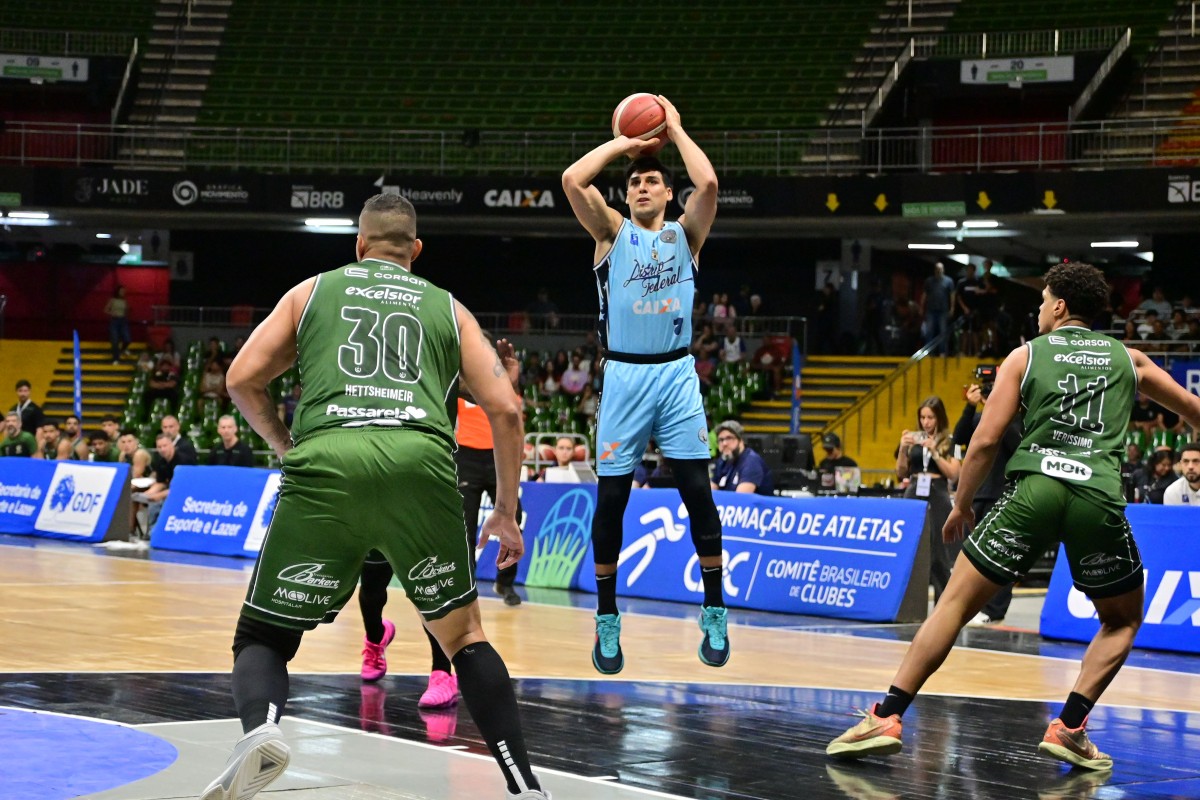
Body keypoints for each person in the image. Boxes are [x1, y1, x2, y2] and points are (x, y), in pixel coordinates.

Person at [200, 193, 547, 800]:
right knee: (464, 638)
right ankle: (525, 786)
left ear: (359, 245)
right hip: (420, 465)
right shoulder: (448, 307)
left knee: (264, 637)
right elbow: (507, 410)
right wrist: (505, 511)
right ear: (416, 250)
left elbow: (241, 379)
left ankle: (262, 731)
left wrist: (286, 446)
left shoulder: (311, 292)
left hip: (328, 460)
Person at [827, 261, 1200, 772]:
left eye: (1043, 301)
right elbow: (1193, 411)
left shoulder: (1025, 355)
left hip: (1034, 492)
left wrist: (962, 505)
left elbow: (984, 441)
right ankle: (1069, 727)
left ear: (1060, 307)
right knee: (1122, 620)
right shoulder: (1129, 359)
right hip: (1097, 497)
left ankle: (886, 716)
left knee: (953, 604)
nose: (1039, 310)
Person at [562, 95, 729, 674]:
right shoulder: (611, 232)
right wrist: (624, 144)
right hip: (624, 377)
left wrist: (674, 128)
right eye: (634, 182)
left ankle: (714, 608)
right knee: (612, 500)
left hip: (676, 374)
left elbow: (709, 184)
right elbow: (572, 179)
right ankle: (607, 617)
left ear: (667, 193)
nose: (640, 187)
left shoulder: (687, 235)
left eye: (651, 181)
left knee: (698, 494)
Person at [357, 337, 525, 717]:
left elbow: (483, 394)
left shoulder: (441, 373)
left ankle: (441, 674)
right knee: (372, 587)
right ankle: (375, 637)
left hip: (427, 483)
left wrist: (505, 382)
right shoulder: (369, 376)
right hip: (376, 481)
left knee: (431, 585)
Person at [952, 382, 1023, 625]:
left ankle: (994, 610)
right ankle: (972, 605)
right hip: (978, 494)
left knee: (999, 553)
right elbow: (959, 437)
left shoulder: (1015, 420)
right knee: (971, 555)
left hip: (1001, 494)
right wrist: (970, 408)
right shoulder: (979, 418)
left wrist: (1001, 415)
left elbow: (1016, 447)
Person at [895, 396, 961, 604]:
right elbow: (901, 472)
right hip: (914, 489)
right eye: (922, 417)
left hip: (937, 491)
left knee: (939, 551)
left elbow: (954, 474)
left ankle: (942, 604)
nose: (926, 422)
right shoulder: (912, 438)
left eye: (930, 417)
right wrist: (903, 448)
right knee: (910, 547)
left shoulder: (952, 441)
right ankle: (908, 603)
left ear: (939, 417)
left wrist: (935, 453)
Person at [711, 420, 774, 495]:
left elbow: (740, 499)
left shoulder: (751, 462)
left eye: (729, 438)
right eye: (721, 440)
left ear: (740, 440)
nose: (724, 443)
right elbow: (709, 493)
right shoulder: (722, 461)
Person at [921, 262, 955, 356]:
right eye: (937, 268)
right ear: (935, 270)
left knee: (943, 331)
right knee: (929, 332)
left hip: (943, 310)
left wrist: (952, 308)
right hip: (931, 309)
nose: (939, 270)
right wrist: (921, 306)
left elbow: (952, 295)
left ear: (943, 270)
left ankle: (942, 352)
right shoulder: (929, 281)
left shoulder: (948, 281)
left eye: (940, 268)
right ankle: (928, 352)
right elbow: (924, 294)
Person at [105, 285, 131, 363]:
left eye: (124, 291)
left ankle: (123, 349)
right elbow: (105, 310)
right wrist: (112, 313)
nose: (123, 292)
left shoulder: (124, 301)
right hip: (115, 320)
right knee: (115, 340)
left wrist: (128, 310)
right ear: (118, 291)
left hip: (123, 320)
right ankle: (116, 359)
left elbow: (127, 310)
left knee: (127, 339)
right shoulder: (112, 300)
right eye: (121, 291)